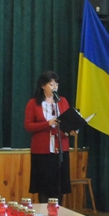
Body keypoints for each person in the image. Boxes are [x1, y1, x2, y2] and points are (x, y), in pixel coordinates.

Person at [25, 71, 73, 204]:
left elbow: (67, 122)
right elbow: (28, 126)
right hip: (42, 151)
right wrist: (48, 123)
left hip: (60, 150)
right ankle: (44, 213)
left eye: (56, 84)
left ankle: (58, 211)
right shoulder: (33, 103)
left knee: (59, 185)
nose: (54, 87)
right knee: (44, 185)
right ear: (43, 86)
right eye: (51, 84)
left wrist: (72, 130)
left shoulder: (62, 102)